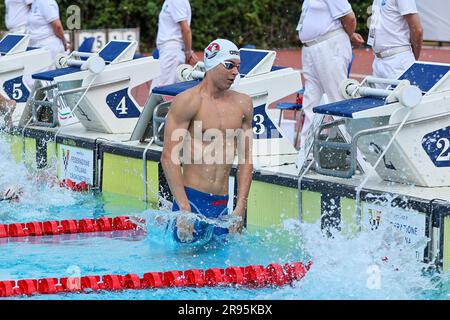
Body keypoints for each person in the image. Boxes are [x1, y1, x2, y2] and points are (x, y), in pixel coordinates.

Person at [161, 39, 253, 244]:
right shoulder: (188, 101)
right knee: (184, 268)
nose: (235, 72)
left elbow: (246, 161)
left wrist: (240, 208)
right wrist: (183, 207)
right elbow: (168, 157)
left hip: (222, 205)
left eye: (238, 66)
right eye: (229, 65)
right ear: (211, 64)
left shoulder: (243, 103)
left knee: (221, 269)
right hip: (191, 202)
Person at [297, 0, 365, 148]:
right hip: (311, 48)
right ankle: (307, 150)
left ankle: (351, 150)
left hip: (329, 46)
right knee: (311, 101)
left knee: (337, 99)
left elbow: (349, 18)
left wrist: (348, 34)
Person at [368, 0, 423, 80]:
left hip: (398, 60)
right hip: (378, 59)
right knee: (378, 92)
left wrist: (414, 57)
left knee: (403, 92)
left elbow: (417, 30)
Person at [150, 0, 198, 91]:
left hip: (171, 52)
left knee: (157, 93)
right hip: (171, 51)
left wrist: (188, 53)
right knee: (169, 94)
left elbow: (186, 30)